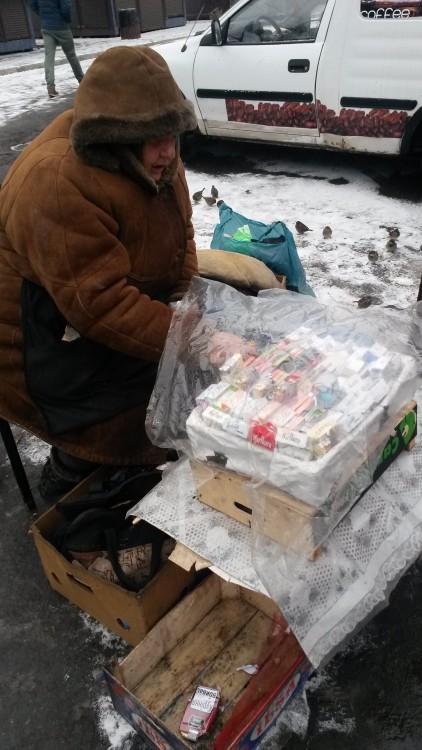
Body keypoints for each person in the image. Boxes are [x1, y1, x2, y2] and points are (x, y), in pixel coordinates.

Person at [0, 45, 198, 501]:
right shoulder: (55, 180)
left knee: (188, 370)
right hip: (42, 334)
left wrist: (185, 299)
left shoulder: (159, 154)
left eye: (173, 134)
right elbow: (100, 303)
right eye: (154, 137)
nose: (168, 150)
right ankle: (70, 467)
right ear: (117, 134)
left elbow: (182, 232)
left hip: (101, 301)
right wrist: (189, 335)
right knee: (139, 395)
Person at [29, 0, 84, 98]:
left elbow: (32, 4)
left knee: (49, 57)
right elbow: (66, 6)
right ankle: (82, 81)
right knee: (71, 55)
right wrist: (67, 20)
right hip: (61, 27)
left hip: (46, 27)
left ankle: (51, 88)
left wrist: (44, 16)